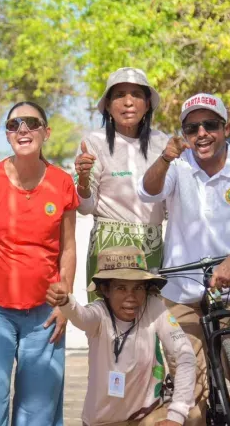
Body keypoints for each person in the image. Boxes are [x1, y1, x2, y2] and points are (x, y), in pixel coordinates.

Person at [137, 93, 230, 423]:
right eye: (192, 128)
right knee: (189, 389)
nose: (201, 133)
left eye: (210, 125)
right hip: (181, 291)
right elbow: (148, 191)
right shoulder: (177, 165)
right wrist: (165, 157)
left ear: (226, 129)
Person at [0, 101, 78, 425]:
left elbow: (68, 249)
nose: (22, 129)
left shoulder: (62, 183)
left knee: (38, 409)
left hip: (44, 312)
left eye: (31, 123)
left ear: (46, 132)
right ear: (7, 135)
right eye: (14, 125)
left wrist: (64, 303)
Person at [46, 246, 196, 426]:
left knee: (192, 416)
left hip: (149, 414)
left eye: (138, 287)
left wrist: (176, 415)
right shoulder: (99, 314)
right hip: (102, 422)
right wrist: (65, 301)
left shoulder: (153, 307)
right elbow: (81, 316)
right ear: (105, 290)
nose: (131, 297)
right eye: (121, 288)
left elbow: (185, 355)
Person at [74, 67, 168, 301]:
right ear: (107, 105)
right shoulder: (94, 142)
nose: (128, 102)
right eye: (119, 95)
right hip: (109, 246)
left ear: (147, 104)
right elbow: (84, 207)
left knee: (150, 318)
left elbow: (171, 202)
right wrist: (83, 181)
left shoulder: (162, 142)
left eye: (136, 94)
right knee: (106, 318)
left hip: (152, 245)